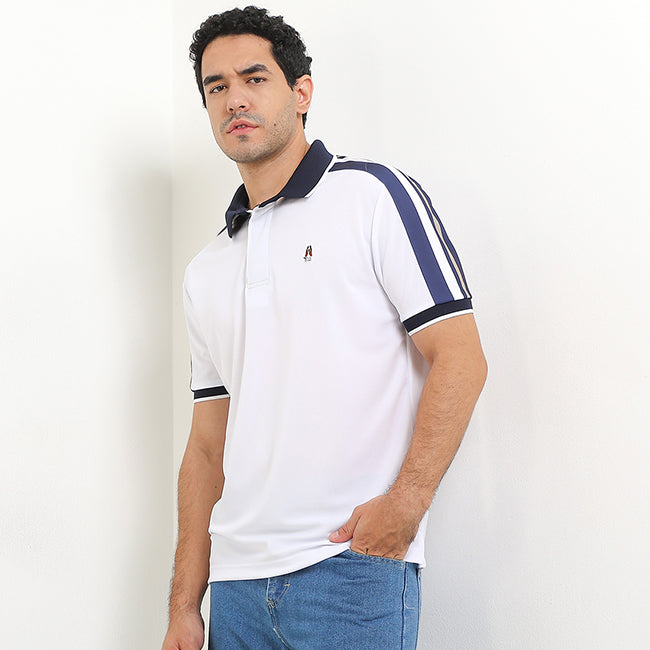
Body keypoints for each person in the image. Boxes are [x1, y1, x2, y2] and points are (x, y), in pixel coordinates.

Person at [162, 6, 487, 650]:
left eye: (254, 78)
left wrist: (406, 505)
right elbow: (205, 448)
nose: (234, 99)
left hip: (349, 569)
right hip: (235, 587)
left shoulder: (374, 196)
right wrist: (183, 605)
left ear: (301, 91)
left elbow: (460, 356)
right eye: (216, 87)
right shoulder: (206, 269)